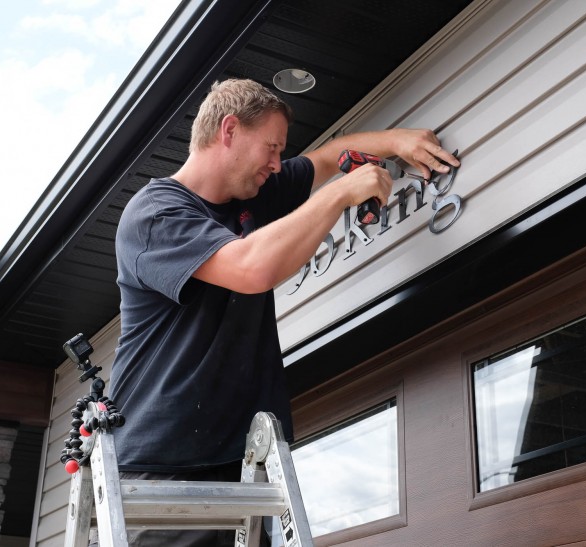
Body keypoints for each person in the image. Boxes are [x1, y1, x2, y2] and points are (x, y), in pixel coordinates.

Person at [102, 78, 459, 546]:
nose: (277, 163)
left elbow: (332, 155)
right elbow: (251, 267)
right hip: (167, 468)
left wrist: (397, 142)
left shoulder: (255, 195)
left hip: (242, 463)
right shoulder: (155, 213)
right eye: (270, 148)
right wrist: (338, 195)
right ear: (228, 131)